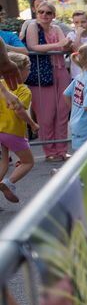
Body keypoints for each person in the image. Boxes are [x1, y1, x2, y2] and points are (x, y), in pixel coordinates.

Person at [23, 0, 73, 162]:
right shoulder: (32, 27)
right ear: (36, 13)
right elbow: (33, 46)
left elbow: (64, 46)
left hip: (60, 71)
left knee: (63, 111)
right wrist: (60, 44)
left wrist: (66, 44)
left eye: (48, 12)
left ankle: (62, 149)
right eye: (41, 12)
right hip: (41, 75)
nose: (44, 15)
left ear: (53, 15)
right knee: (46, 114)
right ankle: (49, 150)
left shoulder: (57, 28)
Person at [0, 53, 39, 203]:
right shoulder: (24, 90)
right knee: (28, 161)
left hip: (0, 130)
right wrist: (33, 124)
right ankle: (8, 183)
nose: (30, 71)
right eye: (28, 68)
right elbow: (19, 111)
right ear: (17, 71)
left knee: (4, 161)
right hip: (13, 132)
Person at [66, 10, 87, 78]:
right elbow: (76, 49)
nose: (80, 25)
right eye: (76, 22)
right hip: (76, 75)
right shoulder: (71, 35)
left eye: (83, 22)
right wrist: (78, 34)